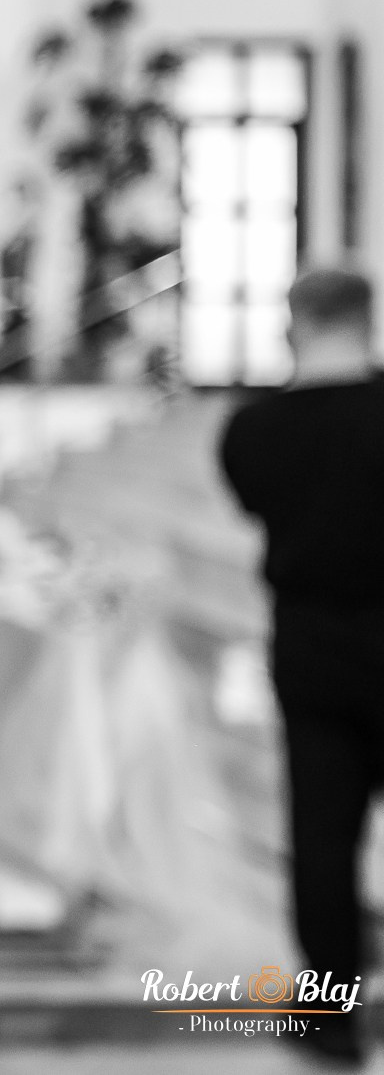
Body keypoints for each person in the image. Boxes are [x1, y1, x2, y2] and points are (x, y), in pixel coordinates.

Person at [220, 268, 384, 1070]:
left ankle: (333, 1015)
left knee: (321, 833)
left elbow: (258, 502)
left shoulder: (255, 429)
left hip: (312, 641)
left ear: (294, 323)